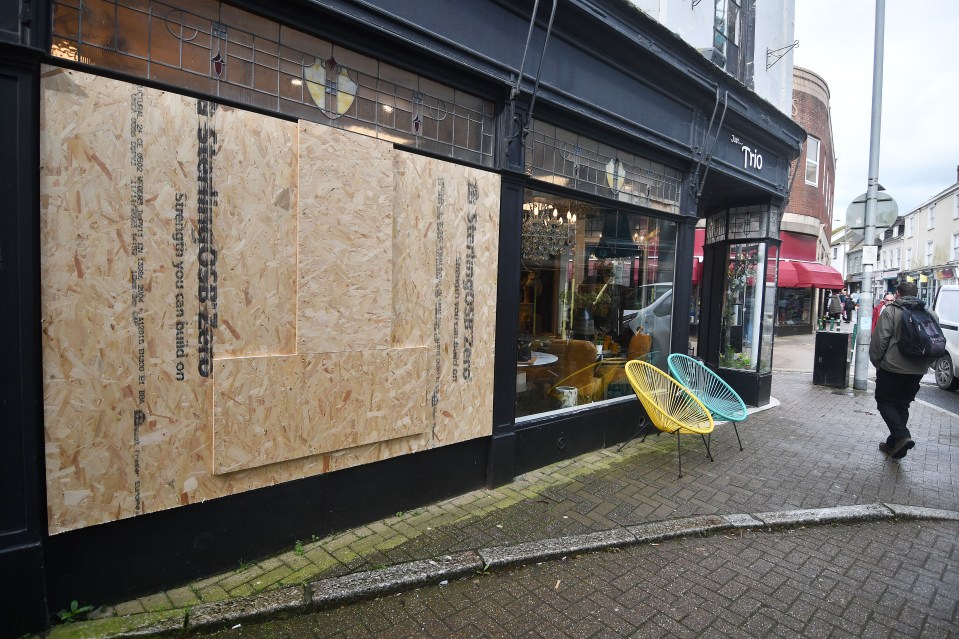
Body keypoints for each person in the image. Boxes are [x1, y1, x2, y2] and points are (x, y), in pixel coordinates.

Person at [869, 281, 938, 459]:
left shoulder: (892, 311)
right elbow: (934, 340)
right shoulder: (930, 313)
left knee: (885, 401)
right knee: (902, 404)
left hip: (892, 367)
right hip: (918, 369)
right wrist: (926, 364)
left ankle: (901, 437)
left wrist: (877, 362)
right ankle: (894, 444)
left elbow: (880, 339)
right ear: (916, 294)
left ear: (898, 294)